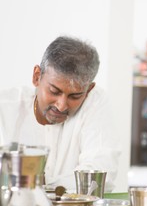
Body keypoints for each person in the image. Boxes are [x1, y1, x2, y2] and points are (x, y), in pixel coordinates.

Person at [0, 36, 121, 192]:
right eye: (54, 91)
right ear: (37, 76)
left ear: (88, 90)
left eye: (75, 96)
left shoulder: (95, 101)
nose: (62, 105)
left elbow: (99, 176)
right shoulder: (5, 108)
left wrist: (34, 184)